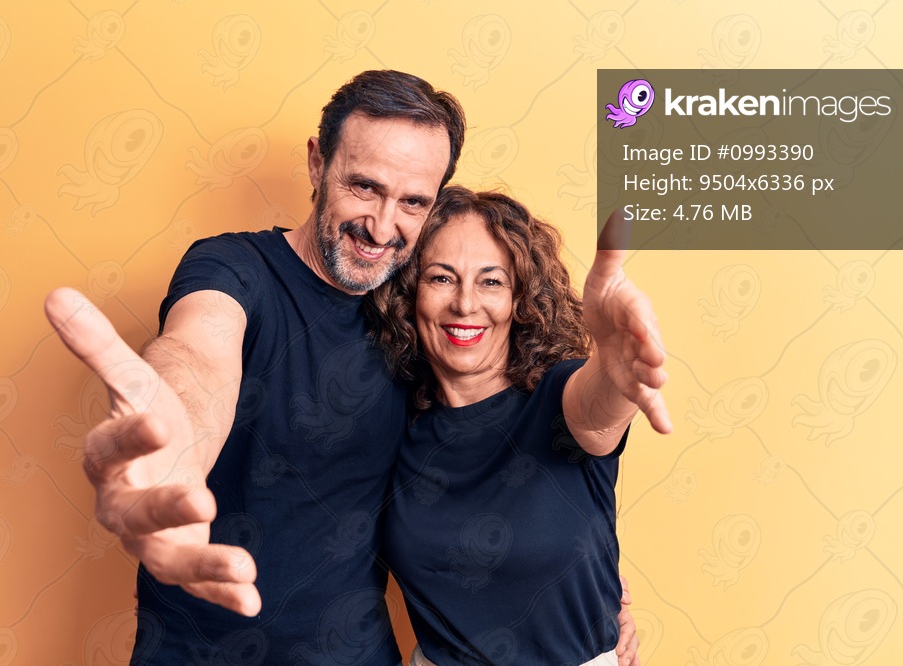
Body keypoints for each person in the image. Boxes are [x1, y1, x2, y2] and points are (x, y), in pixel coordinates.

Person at [45, 70, 641, 664]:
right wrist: (171, 451)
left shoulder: (416, 334)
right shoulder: (236, 269)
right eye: (364, 187)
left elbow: (534, 451)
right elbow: (198, 354)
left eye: (412, 202)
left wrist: (587, 602)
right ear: (316, 163)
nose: (383, 226)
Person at [367, 186, 670, 665]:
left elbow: (596, 407)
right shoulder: (393, 427)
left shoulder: (556, 402)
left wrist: (615, 362)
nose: (465, 304)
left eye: (491, 282)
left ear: (520, 300)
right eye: (442, 278)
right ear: (408, 293)